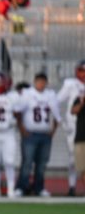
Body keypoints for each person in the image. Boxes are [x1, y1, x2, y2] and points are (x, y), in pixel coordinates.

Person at [14, 72, 61, 197]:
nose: (41, 84)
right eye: (38, 81)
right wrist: (22, 128)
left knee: (41, 164)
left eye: (43, 82)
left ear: (46, 83)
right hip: (30, 134)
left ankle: (39, 188)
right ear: (35, 82)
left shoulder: (50, 95)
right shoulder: (28, 94)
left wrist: (53, 131)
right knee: (27, 162)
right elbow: (17, 111)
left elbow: (57, 115)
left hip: (45, 134)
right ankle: (21, 187)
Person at [57, 59, 85, 196]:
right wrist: (61, 120)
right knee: (73, 160)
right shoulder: (71, 84)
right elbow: (57, 100)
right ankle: (72, 186)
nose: (83, 74)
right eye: (81, 70)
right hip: (75, 127)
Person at [71, 77, 85, 194]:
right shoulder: (80, 98)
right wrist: (81, 102)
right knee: (83, 168)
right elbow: (73, 111)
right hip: (81, 137)